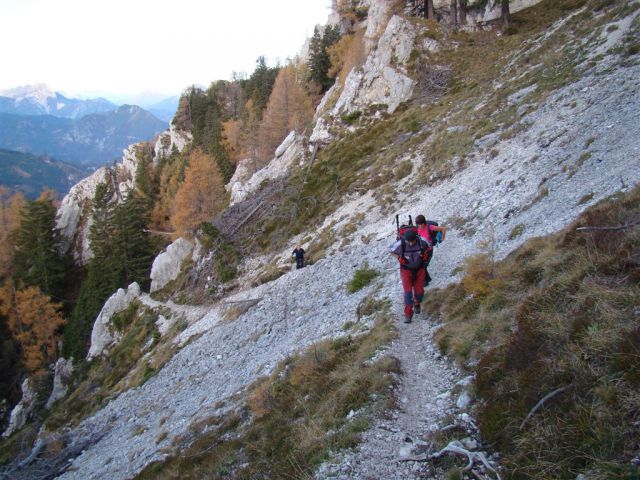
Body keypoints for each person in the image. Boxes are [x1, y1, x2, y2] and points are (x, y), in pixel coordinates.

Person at [389, 229, 430, 323]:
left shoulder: (422, 242)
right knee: (407, 293)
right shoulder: (400, 244)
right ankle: (408, 314)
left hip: (420, 269)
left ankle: (417, 302)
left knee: (419, 291)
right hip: (405, 270)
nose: (411, 244)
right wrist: (399, 257)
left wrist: (425, 255)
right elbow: (390, 251)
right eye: (409, 242)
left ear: (416, 238)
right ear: (405, 239)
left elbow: (429, 248)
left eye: (413, 241)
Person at [415, 215, 447, 286]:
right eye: (418, 224)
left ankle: (426, 281)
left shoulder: (430, 227)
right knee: (420, 264)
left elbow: (443, 229)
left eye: (421, 224)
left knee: (423, 265)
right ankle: (425, 279)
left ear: (424, 223)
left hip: (429, 250)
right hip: (421, 250)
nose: (420, 226)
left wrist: (442, 238)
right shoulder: (417, 228)